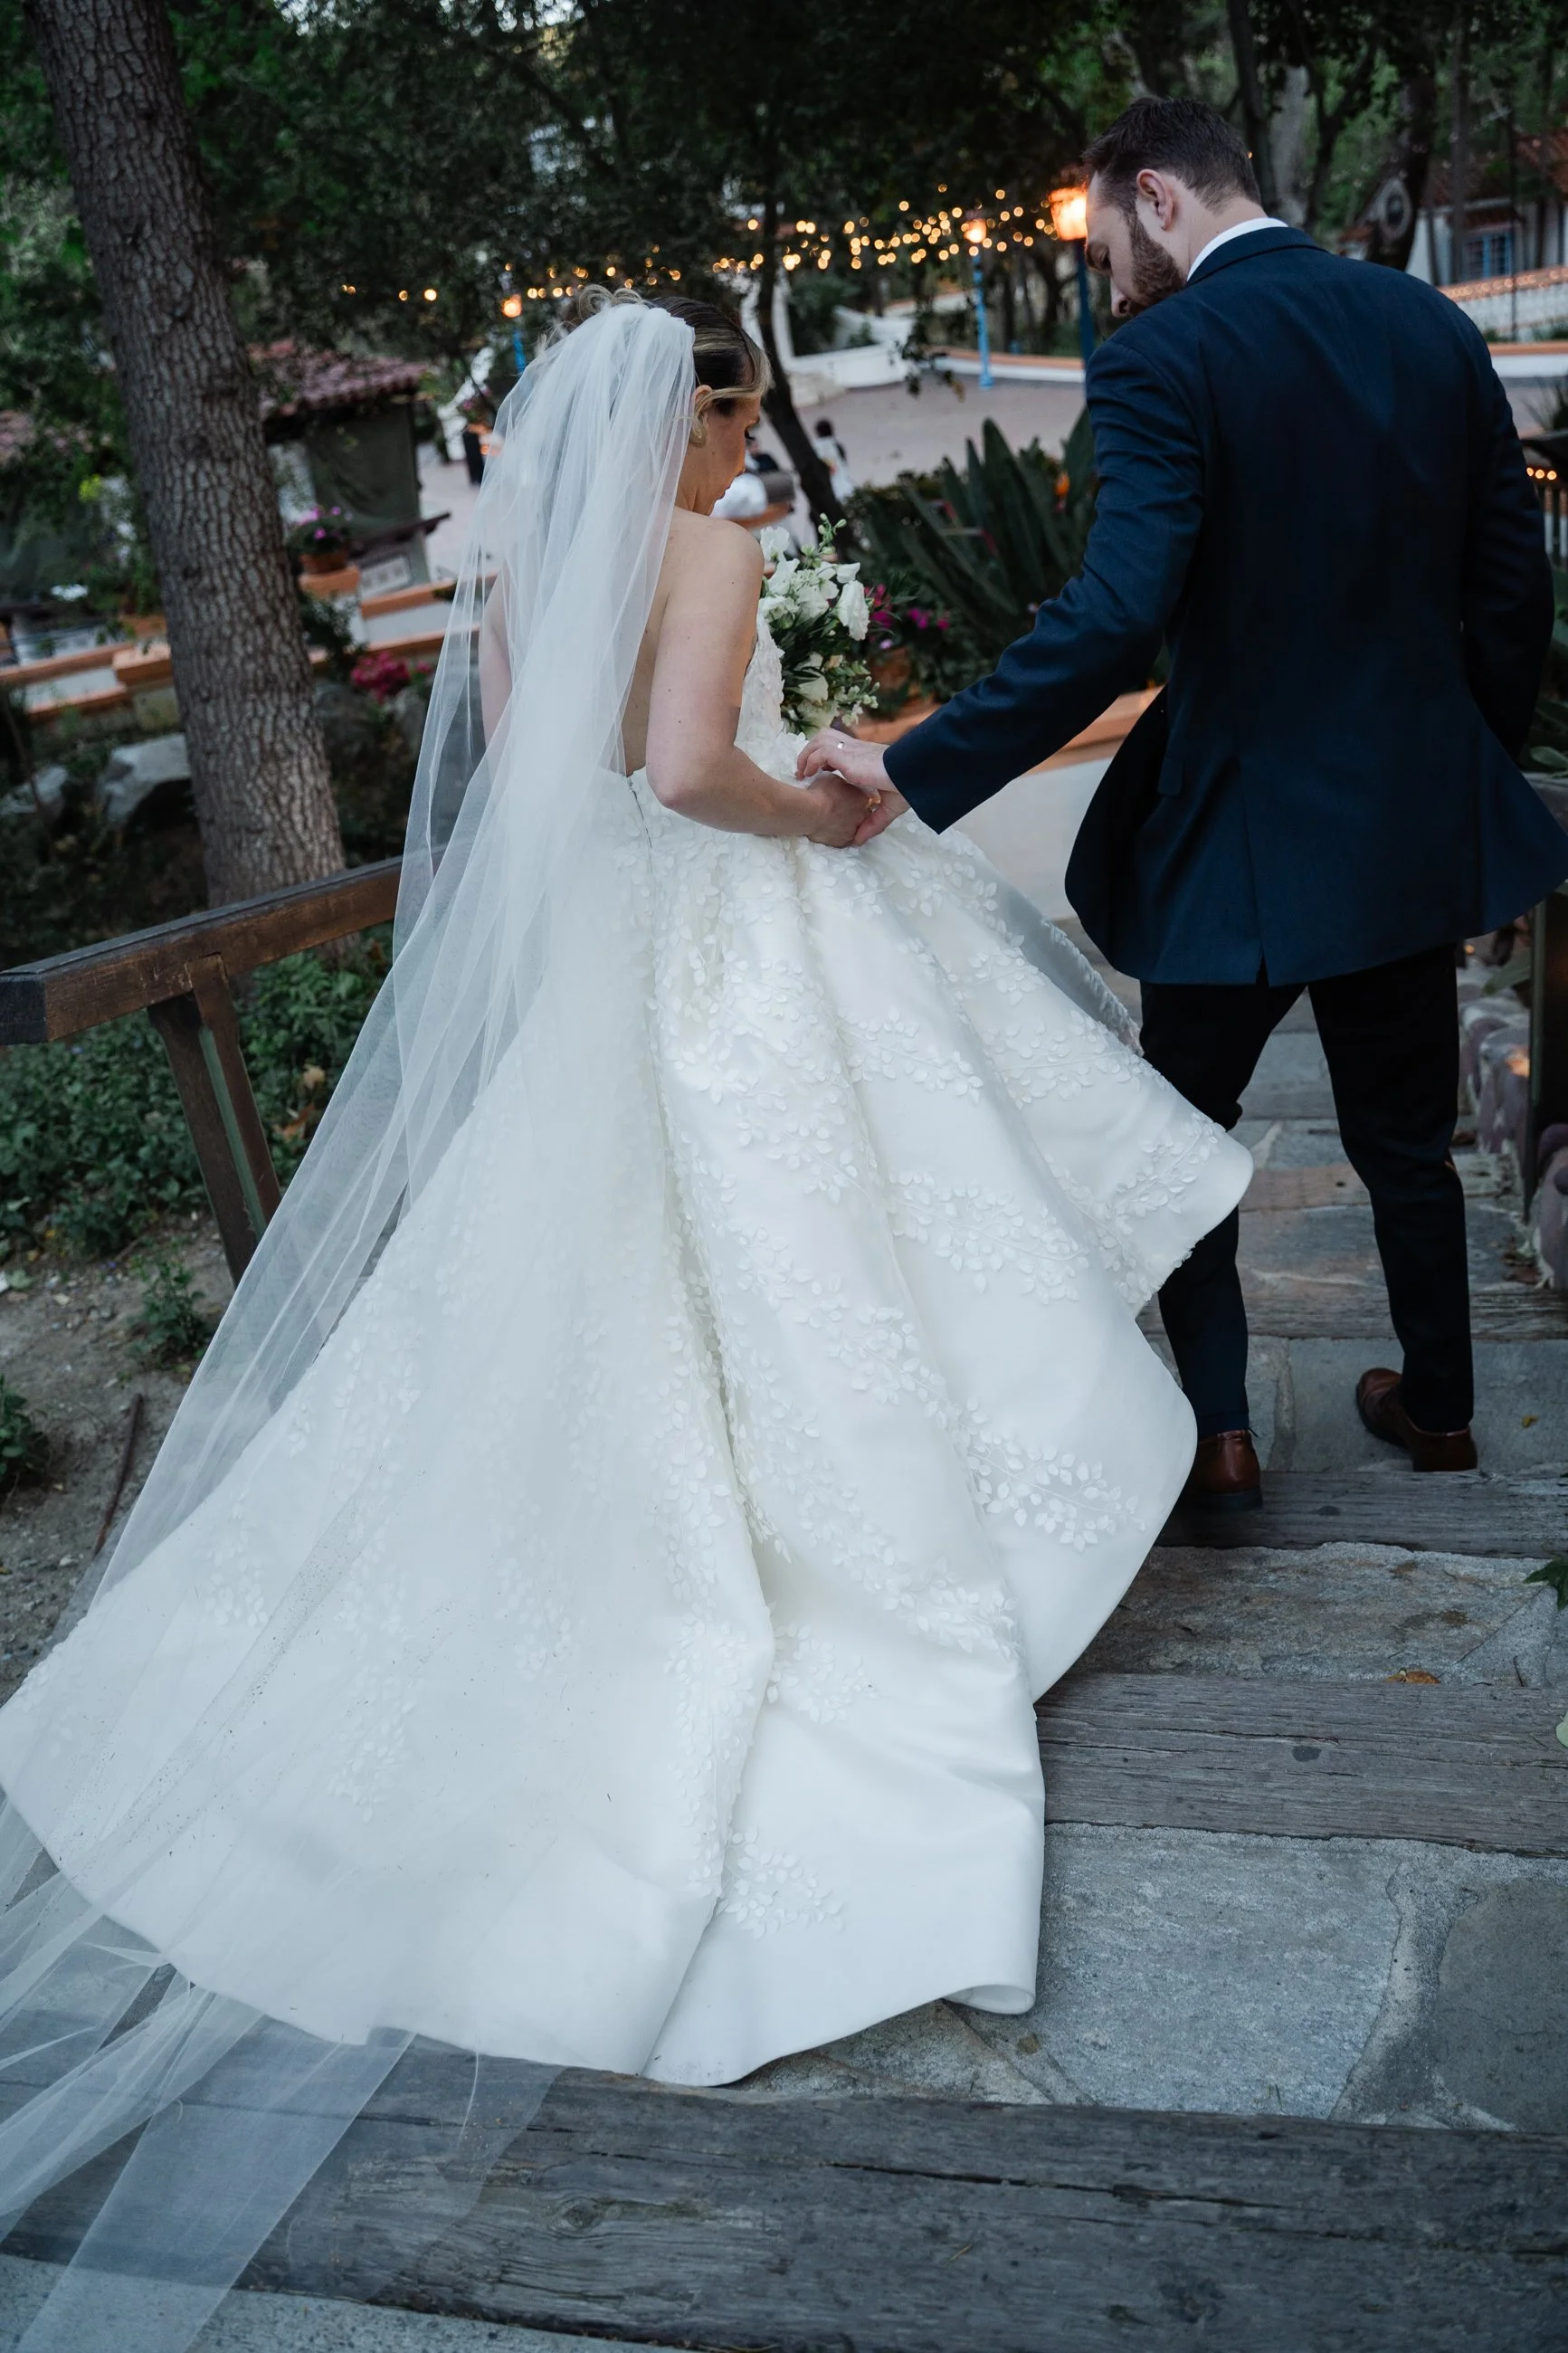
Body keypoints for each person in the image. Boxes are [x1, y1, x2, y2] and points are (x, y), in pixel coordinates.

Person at [0, 288, 1246, 2347]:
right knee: (817, 1253)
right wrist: (823, 801)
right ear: (692, 415)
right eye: (729, 411)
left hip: (612, 981)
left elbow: (553, 776)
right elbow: (683, 774)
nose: (738, 442)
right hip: (731, 944)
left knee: (625, 1290)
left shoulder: (527, 574)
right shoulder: (712, 545)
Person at [802, 93, 1566, 1511]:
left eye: (1104, 247)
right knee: (1407, 1142)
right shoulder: (1427, 326)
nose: (1108, 283)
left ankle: (1220, 1436)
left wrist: (914, 763)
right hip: (1398, 833)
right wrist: (1453, 774)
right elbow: (1510, 592)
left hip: (1232, 840)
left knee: (1179, 1136)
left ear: (1156, 198)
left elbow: (1113, 620)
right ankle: (1445, 1411)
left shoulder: (1160, 356)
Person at [814, 413, 856, 500]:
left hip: (826, 488)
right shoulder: (837, 446)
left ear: (817, 433)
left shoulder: (815, 449)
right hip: (843, 485)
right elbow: (844, 464)